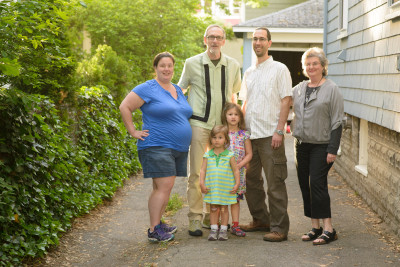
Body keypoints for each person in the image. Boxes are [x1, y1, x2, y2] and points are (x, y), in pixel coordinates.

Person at [119, 52, 193, 242]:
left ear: (173, 68)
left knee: (163, 187)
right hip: (158, 145)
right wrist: (133, 131)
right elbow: (124, 106)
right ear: (155, 68)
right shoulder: (148, 88)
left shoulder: (177, 88)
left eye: (169, 65)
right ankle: (153, 230)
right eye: (162, 66)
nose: (166, 69)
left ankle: (158, 223)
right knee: (164, 186)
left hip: (177, 147)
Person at [178, 24, 241, 236]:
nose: (215, 41)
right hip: (198, 124)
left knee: (221, 171)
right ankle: (195, 217)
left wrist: (236, 125)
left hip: (221, 128)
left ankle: (210, 213)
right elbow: (180, 91)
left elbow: (234, 97)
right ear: (205, 39)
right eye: (211, 37)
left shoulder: (232, 65)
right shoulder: (191, 63)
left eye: (219, 37)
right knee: (197, 171)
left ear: (223, 41)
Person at [238, 27, 292, 242]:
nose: (258, 42)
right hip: (250, 136)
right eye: (255, 39)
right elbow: (246, 103)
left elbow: (286, 100)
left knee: (275, 182)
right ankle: (261, 219)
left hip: (271, 135)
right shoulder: (249, 72)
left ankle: (280, 228)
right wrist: (240, 134)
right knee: (251, 181)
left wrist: (280, 130)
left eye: (262, 39)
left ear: (269, 43)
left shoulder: (280, 69)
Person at [291, 47, 344, 245]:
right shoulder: (299, 89)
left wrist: (332, 148)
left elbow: (338, 121)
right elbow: (286, 104)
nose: (311, 67)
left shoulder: (332, 89)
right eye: (308, 64)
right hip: (301, 144)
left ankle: (329, 229)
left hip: (322, 145)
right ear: (304, 67)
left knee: (317, 184)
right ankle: (315, 227)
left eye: (315, 63)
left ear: (323, 66)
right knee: (305, 184)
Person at [199, 125, 240, 241]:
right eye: (214, 137)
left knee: (224, 209)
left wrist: (237, 184)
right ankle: (213, 229)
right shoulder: (207, 155)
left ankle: (223, 230)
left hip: (225, 188)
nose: (217, 140)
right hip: (213, 188)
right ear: (211, 139)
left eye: (220, 137)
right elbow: (202, 170)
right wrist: (202, 183)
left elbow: (236, 170)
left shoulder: (229, 155)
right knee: (212, 208)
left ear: (226, 140)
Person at [221, 103, 252, 237]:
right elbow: (215, 150)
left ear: (240, 117)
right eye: (230, 114)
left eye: (236, 114)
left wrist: (239, 165)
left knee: (235, 200)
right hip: (223, 172)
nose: (233, 117)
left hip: (238, 173)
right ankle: (221, 227)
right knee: (222, 200)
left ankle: (235, 225)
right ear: (225, 116)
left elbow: (249, 154)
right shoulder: (221, 133)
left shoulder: (244, 134)